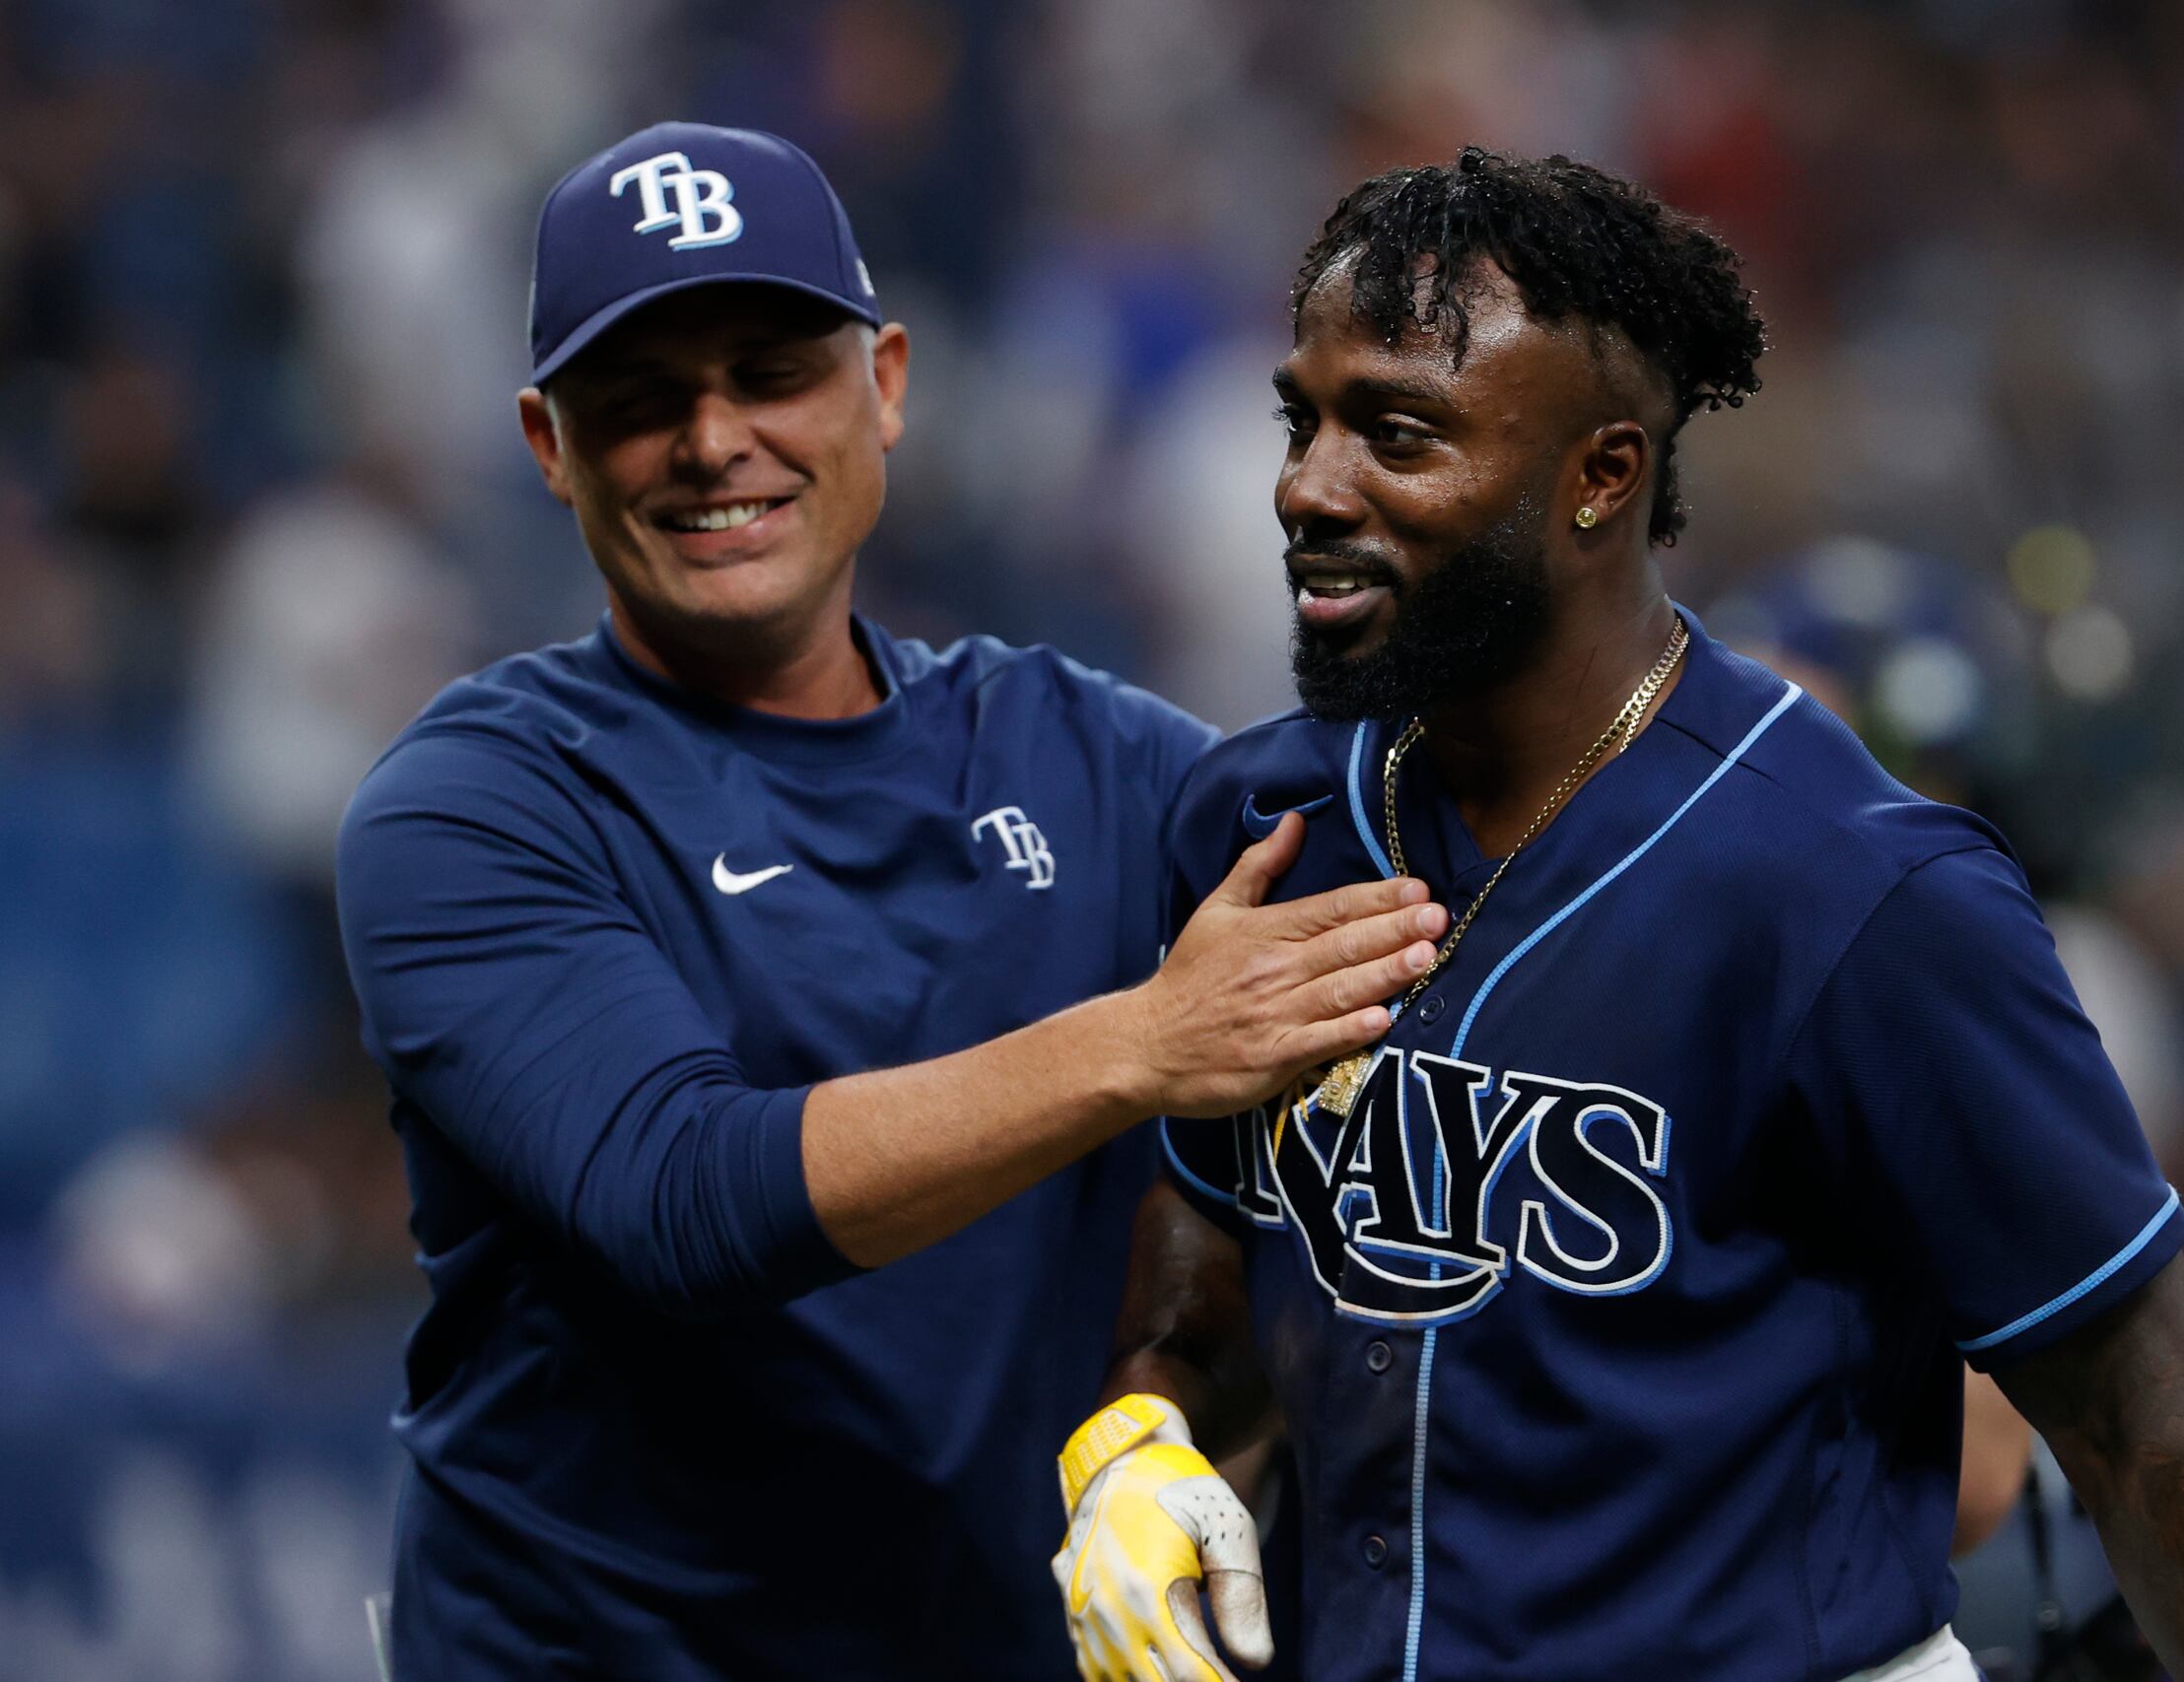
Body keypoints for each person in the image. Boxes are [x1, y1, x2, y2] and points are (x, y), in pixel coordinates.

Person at [1050, 150, 2184, 1682]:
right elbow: (1219, 1208)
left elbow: (2152, 1436)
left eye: (1398, 435)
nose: (1309, 486)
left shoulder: (1866, 892)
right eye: (1304, 419)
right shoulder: (1258, 820)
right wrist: (1148, 1419)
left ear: (1602, 477)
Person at [333, 121, 1448, 1680]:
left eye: (773, 370)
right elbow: (684, 1198)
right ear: (546, 444)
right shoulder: (477, 804)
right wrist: (1142, 1042)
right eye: (641, 399)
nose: (714, 439)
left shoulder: (1095, 755)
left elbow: (1436, 926)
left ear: (891, 384)